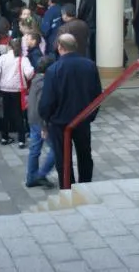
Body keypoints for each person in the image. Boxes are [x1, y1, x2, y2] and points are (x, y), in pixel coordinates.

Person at [39, 34, 103, 187]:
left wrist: (46, 119)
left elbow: (47, 101)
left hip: (60, 122)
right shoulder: (89, 65)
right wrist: (91, 115)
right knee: (84, 154)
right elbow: (97, 94)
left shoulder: (53, 70)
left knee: (63, 158)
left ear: (60, 47)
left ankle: (67, 187)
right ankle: (86, 185)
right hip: (82, 119)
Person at [25, 56, 57, 188]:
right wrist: (45, 126)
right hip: (40, 121)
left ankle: (31, 177)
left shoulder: (35, 80)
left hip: (32, 118)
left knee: (35, 149)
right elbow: (43, 106)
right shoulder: (44, 84)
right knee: (57, 148)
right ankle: (41, 174)